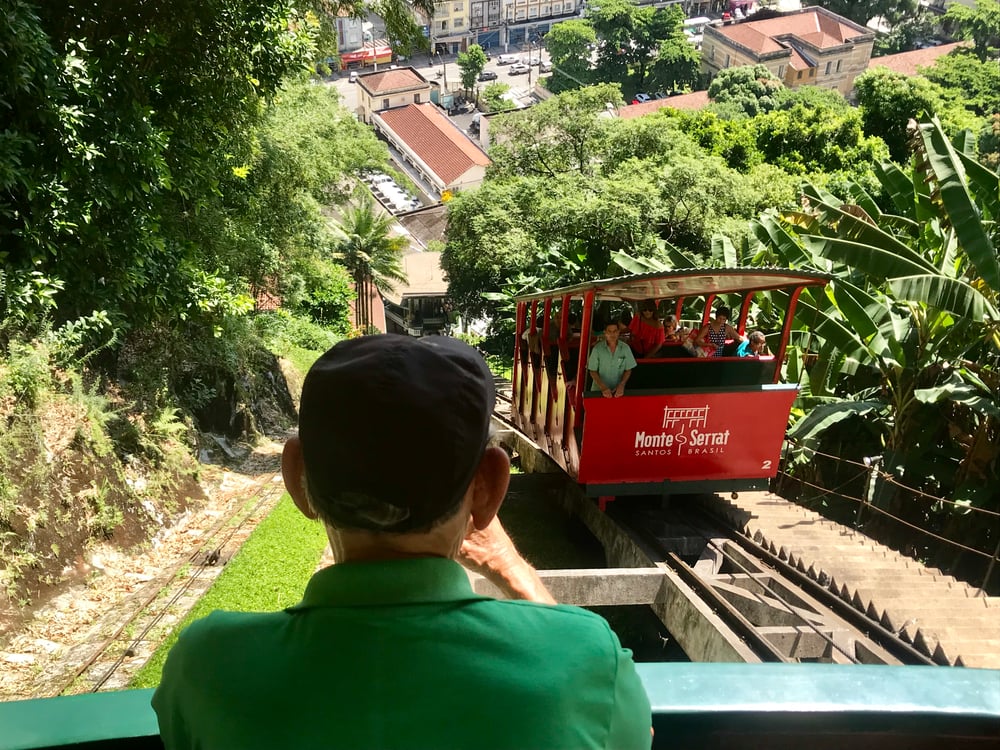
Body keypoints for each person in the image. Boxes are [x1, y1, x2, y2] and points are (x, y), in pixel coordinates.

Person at [152, 335, 651, 750]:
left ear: (297, 477)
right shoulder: (585, 659)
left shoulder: (206, 665)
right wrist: (512, 569)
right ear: (489, 486)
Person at [588, 321, 637, 398]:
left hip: (618, 392)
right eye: (609, 331)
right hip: (598, 392)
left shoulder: (625, 348)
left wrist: (621, 385)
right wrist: (603, 387)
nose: (612, 334)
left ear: (618, 332)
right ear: (605, 332)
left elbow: (628, 369)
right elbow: (592, 371)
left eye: (615, 331)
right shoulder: (597, 349)